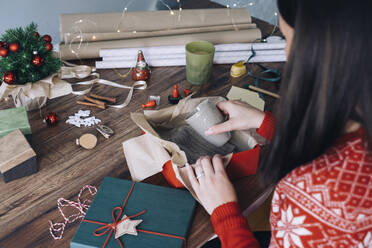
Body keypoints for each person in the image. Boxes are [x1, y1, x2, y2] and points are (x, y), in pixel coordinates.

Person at [186, 0, 372, 247]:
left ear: (319, 53)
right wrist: (267, 123)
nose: (287, 55)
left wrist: (225, 212)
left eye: (286, 40)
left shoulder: (318, 198)